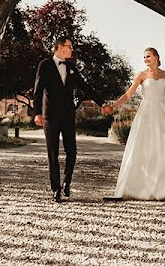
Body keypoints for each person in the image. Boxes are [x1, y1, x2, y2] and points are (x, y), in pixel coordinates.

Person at [107, 46, 165, 199]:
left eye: (148, 56)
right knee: (146, 147)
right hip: (147, 114)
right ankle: (143, 186)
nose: (145, 60)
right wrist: (113, 106)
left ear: (156, 57)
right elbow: (128, 94)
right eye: (144, 57)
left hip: (164, 113)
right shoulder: (141, 75)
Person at [32, 36, 112, 202]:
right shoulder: (45, 65)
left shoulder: (71, 66)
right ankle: (55, 189)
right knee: (52, 153)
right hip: (50, 116)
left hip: (68, 115)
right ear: (61, 47)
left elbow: (85, 86)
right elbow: (38, 90)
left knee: (72, 151)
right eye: (70, 47)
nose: (72, 50)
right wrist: (37, 113)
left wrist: (102, 103)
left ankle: (66, 182)